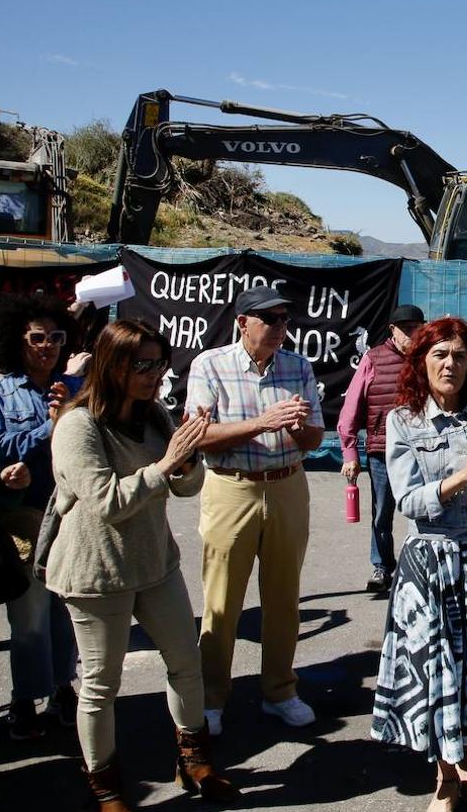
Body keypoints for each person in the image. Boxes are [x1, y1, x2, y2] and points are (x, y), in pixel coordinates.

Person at [49, 320, 237, 809]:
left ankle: (194, 761)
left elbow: (185, 487)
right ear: (113, 365)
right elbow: (107, 501)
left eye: (159, 363)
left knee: (186, 663)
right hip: (97, 572)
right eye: (142, 364)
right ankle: (106, 787)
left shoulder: (153, 414)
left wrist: (188, 458)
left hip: (155, 564)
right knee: (100, 686)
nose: (155, 374)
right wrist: (166, 462)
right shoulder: (77, 425)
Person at [370, 317, 467, 812]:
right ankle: (444, 778)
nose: (450, 364)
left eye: (459, 356)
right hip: (431, 565)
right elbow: (409, 500)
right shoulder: (403, 421)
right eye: (440, 355)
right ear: (422, 362)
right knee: (438, 672)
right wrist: (462, 476)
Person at [185, 285, 325, 737]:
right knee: (222, 601)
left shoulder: (298, 366)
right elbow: (199, 437)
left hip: (287, 485)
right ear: (242, 322)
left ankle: (280, 691)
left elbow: (314, 439)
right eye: (270, 319)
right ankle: (210, 698)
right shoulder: (210, 365)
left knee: (284, 598)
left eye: (285, 320)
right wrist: (261, 424)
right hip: (231, 488)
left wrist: (300, 429)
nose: (280, 328)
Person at [0, 293, 80, 740]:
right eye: (38, 337)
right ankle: (26, 698)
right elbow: (0, 447)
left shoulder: (75, 387)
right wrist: (50, 426)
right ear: (18, 340)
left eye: (56, 337)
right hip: (24, 519)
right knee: (28, 616)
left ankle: (63, 688)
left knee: (64, 610)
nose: (47, 345)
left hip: (70, 515)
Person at [338, 303, 426, 592]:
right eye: (407, 329)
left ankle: (424, 564)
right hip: (382, 449)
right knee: (382, 512)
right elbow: (351, 408)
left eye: (418, 328)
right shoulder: (373, 359)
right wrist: (349, 453)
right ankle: (382, 567)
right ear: (393, 330)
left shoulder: (428, 359)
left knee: (425, 509)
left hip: (422, 449)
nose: (413, 334)